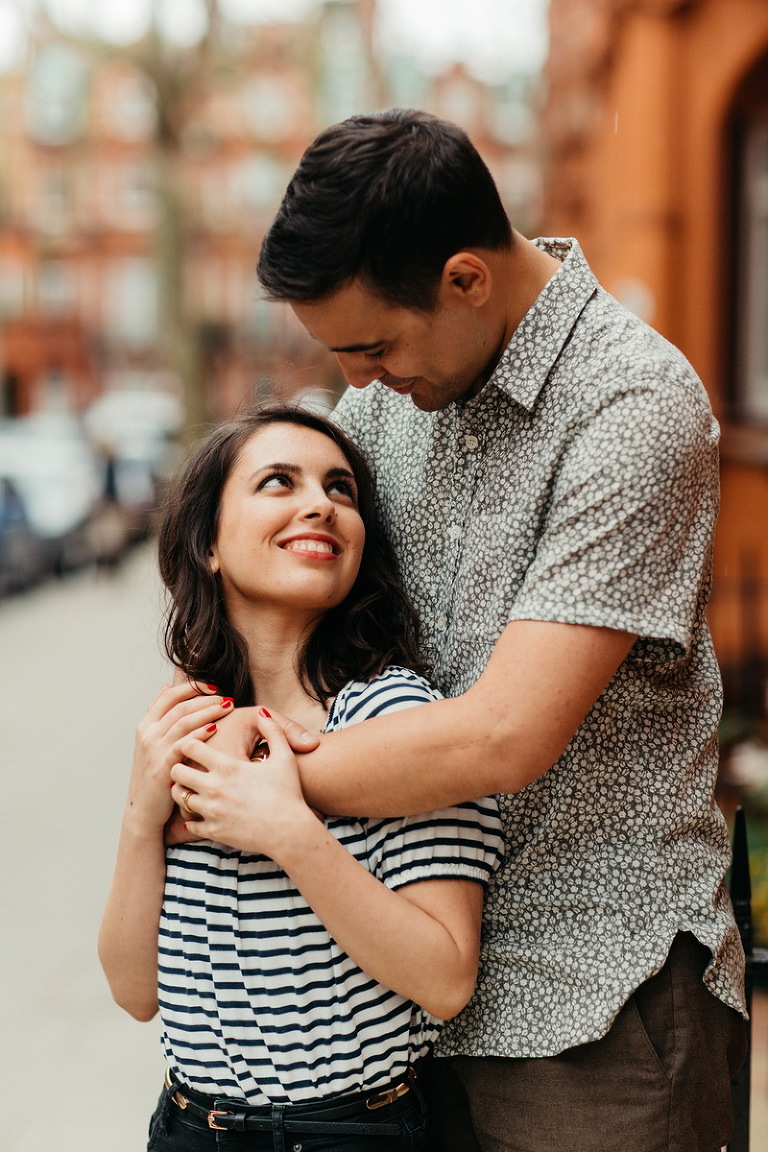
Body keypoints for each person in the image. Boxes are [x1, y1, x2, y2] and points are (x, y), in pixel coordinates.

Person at [246, 109, 747, 1152]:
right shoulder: (383, 405)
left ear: (466, 278)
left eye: (374, 346)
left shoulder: (634, 403)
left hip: (590, 1008)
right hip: (393, 1005)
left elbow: (503, 736)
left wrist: (253, 787)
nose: (359, 383)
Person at [98, 405, 504, 1152]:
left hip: (349, 1133)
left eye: (341, 488)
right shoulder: (188, 717)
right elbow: (133, 992)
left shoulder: (395, 715)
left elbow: (445, 979)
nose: (320, 502)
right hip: (190, 1127)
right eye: (278, 482)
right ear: (207, 543)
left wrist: (289, 832)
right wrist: (139, 817)